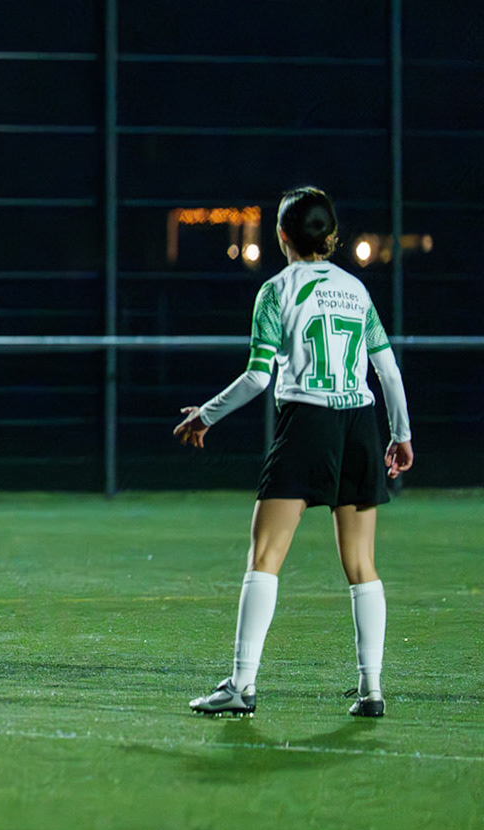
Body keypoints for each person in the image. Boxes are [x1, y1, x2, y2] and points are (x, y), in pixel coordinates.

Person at [174, 186, 414, 719]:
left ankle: (241, 685)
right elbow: (388, 370)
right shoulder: (356, 290)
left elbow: (260, 376)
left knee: (265, 557)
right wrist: (401, 434)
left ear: (281, 235)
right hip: (360, 422)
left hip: (309, 421)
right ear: (330, 236)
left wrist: (205, 414)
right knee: (361, 564)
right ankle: (371, 690)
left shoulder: (275, 291)